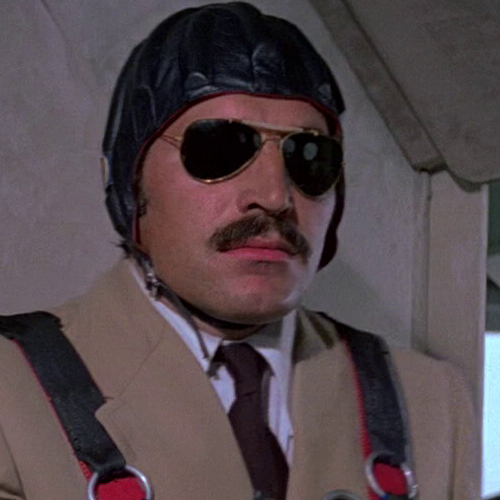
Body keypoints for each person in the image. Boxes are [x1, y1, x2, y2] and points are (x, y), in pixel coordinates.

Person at [0, 3, 477, 500]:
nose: (274, 196)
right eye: (220, 149)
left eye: (309, 156)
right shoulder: (12, 394)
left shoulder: (429, 406)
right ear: (131, 183)